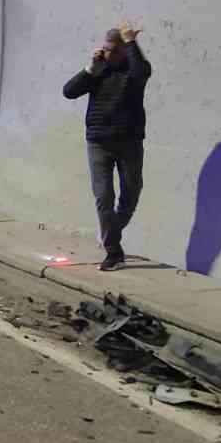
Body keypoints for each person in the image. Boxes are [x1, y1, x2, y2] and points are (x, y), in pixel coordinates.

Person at [63, 21, 152, 271]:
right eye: (106, 49)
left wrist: (132, 41)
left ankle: (109, 232)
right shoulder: (98, 71)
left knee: (131, 195)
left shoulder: (134, 72)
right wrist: (90, 69)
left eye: (114, 50)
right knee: (103, 197)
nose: (108, 54)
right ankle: (114, 252)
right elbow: (69, 92)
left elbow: (141, 72)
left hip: (129, 142)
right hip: (98, 142)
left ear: (124, 51)